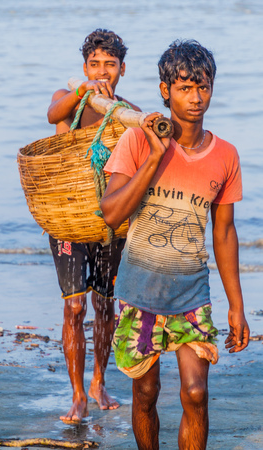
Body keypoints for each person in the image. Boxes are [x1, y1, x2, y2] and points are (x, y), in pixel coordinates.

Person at [100, 39, 250, 450]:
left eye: (203, 87)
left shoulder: (226, 156)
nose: (196, 98)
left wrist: (236, 305)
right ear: (165, 91)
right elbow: (111, 213)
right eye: (185, 88)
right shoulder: (136, 142)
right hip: (139, 292)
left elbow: (223, 233)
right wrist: (153, 157)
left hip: (191, 295)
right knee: (145, 394)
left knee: (196, 394)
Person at [47, 29, 140, 424]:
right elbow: (53, 115)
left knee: (104, 305)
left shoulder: (127, 111)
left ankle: (99, 381)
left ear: (122, 69)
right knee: (74, 307)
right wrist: (84, 89)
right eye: (95, 64)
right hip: (68, 217)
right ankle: (78, 394)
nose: (103, 71)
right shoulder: (68, 100)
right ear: (84, 67)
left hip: (109, 222)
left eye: (110, 65)